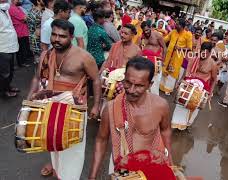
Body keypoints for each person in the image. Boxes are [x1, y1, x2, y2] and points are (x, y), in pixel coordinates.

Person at [27, 19, 101, 179]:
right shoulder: (46, 55)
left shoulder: (84, 57)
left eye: (62, 36)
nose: (56, 39)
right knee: (51, 139)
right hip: (49, 105)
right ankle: (57, 169)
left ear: (72, 36)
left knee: (73, 146)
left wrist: (96, 105)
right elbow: (37, 78)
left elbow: (96, 79)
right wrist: (28, 101)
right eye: (54, 34)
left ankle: (69, 176)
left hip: (73, 107)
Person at [89, 57, 173, 179]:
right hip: (122, 168)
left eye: (139, 86)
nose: (131, 90)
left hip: (153, 166)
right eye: (128, 83)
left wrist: (169, 159)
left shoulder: (160, 106)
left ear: (150, 85)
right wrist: (92, 176)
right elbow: (101, 140)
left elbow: (165, 131)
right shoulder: (111, 108)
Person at [171, 42, 218, 130]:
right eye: (202, 52)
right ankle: (178, 124)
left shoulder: (213, 64)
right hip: (189, 84)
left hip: (201, 89)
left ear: (210, 53)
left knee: (193, 108)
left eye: (206, 53)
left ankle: (187, 124)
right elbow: (187, 72)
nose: (203, 55)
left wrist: (210, 94)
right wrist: (180, 82)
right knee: (181, 103)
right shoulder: (194, 58)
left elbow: (214, 79)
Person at [160, 18, 192, 95]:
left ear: (182, 26)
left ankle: (168, 89)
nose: (175, 25)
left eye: (177, 24)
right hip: (168, 55)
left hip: (177, 57)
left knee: (172, 73)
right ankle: (161, 86)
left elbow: (189, 48)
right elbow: (165, 40)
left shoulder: (188, 35)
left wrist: (180, 48)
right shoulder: (173, 32)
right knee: (164, 70)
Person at [138, 21, 166, 95]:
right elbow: (138, 47)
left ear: (150, 28)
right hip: (144, 60)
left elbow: (164, 47)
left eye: (147, 30)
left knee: (155, 81)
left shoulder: (158, 35)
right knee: (143, 79)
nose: (146, 32)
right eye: (144, 31)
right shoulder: (142, 36)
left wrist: (163, 60)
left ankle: (154, 99)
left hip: (156, 60)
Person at [0, 0, 20, 97]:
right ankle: (4, 91)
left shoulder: (5, 8)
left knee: (10, 69)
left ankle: (8, 86)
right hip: (2, 47)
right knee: (5, 72)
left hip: (10, 45)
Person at [9, 0, 33, 67]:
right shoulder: (12, 8)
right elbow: (25, 18)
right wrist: (27, 17)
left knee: (23, 47)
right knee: (21, 48)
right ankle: (21, 63)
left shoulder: (17, 7)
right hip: (19, 31)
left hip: (22, 30)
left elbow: (26, 16)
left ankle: (23, 61)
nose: (19, 0)